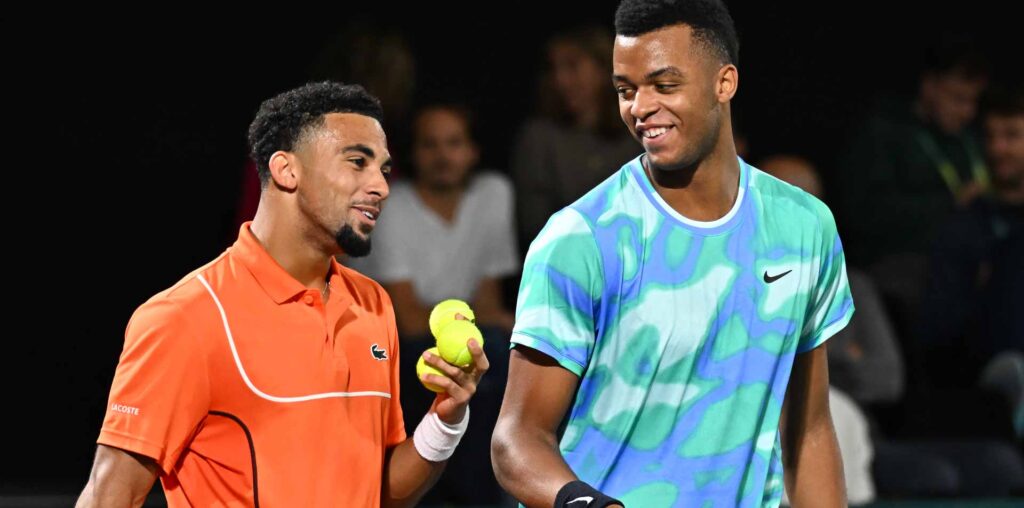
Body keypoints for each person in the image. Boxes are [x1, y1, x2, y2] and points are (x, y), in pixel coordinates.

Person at [492, 2, 853, 507]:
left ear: (724, 84)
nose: (640, 107)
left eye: (664, 85)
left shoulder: (805, 226)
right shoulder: (579, 238)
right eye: (625, 89)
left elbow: (809, 430)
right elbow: (516, 440)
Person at [75, 82, 489, 508]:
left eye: (382, 169)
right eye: (357, 162)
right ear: (286, 170)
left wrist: (446, 417)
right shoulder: (184, 317)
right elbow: (110, 496)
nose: (381, 187)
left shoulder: (374, 304)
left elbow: (381, 493)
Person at [345, 102, 518, 505]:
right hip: (388, 349)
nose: (443, 156)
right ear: (411, 152)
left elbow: (488, 302)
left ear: (473, 150)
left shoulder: (494, 194)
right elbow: (404, 318)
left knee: (506, 361)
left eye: (454, 143)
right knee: (481, 372)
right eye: (430, 145)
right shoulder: (389, 206)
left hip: (464, 340)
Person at [512, 25, 640, 252]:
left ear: (603, 69)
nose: (560, 80)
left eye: (572, 66)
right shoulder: (539, 138)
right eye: (553, 69)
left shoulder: (636, 131)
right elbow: (535, 225)